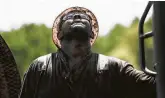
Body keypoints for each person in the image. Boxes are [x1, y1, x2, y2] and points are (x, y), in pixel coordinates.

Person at [19, 6, 156, 98]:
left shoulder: (114, 68)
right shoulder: (39, 68)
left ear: (91, 32)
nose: (78, 16)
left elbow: (155, 87)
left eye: (85, 18)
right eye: (70, 17)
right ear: (59, 34)